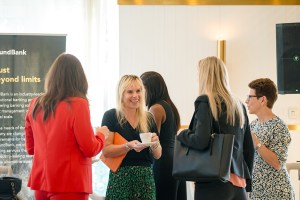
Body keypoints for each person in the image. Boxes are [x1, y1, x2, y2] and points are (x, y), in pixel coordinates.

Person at [24, 53, 109, 200]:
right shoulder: (79, 104)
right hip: (70, 183)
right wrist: (101, 135)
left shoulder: (35, 104)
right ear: (79, 78)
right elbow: (89, 148)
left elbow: (31, 149)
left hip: (41, 181)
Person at [177, 56, 255, 200]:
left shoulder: (205, 102)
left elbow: (201, 140)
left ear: (205, 76)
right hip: (238, 186)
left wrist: (182, 134)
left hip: (213, 184)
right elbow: (249, 148)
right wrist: (248, 186)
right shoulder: (238, 105)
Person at [101, 74, 162, 200]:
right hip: (120, 177)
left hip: (145, 178)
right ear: (121, 94)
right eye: (130, 92)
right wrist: (127, 146)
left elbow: (158, 155)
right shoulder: (111, 116)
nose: (135, 95)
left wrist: (156, 144)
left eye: (138, 91)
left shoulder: (149, 118)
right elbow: (106, 151)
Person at [140, 71, 187, 200]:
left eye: (142, 89)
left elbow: (152, 140)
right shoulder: (170, 106)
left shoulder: (155, 109)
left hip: (163, 162)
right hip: (176, 160)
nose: (140, 94)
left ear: (150, 89)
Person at [246, 78, 295, 200]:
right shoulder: (253, 125)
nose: (246, 101)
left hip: (276, 194)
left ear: (262, 99)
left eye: (250, 97)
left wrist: (256, 143)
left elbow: (278, 163)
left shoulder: (279, 126)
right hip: (257, 194)